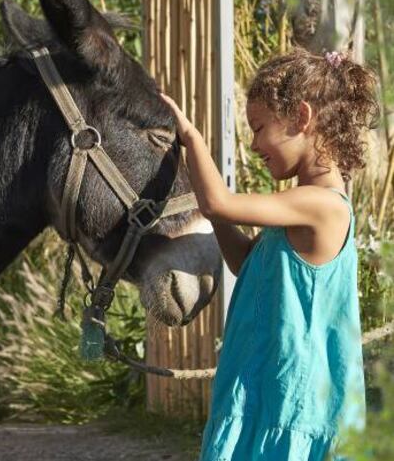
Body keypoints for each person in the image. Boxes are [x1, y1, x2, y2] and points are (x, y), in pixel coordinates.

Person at [160, 48, 380, 461]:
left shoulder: (324, 205)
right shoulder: (297, 208)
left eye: (259, 128)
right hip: (262, 392)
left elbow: (220, 202)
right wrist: (204, 199)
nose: (255, 144)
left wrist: (191, 139)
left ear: (301, 117)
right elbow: (247, 263)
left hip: (295, 407)